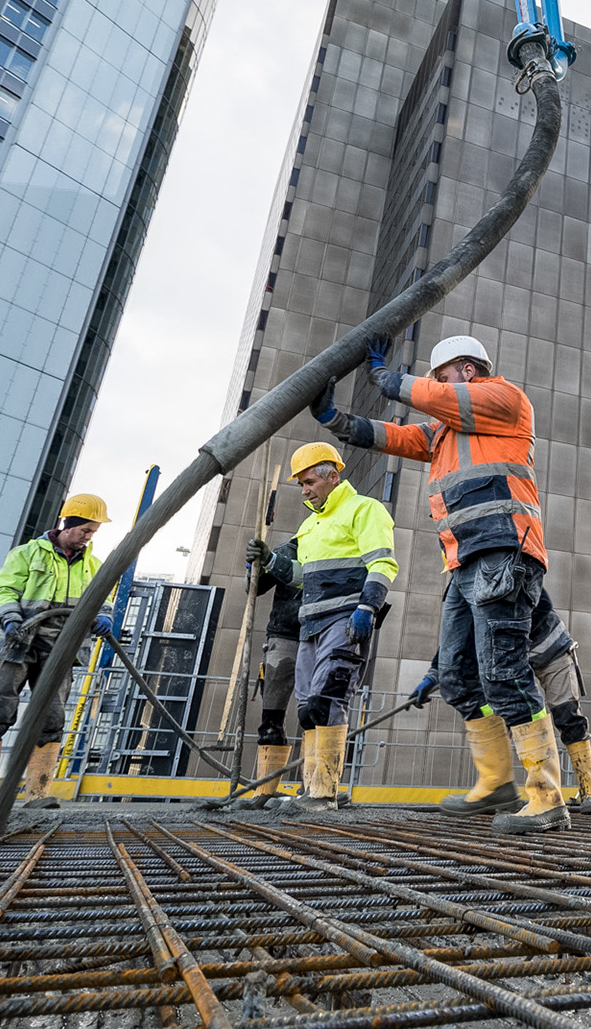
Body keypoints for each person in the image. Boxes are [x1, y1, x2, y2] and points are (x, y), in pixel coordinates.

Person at [317, 332, 566, 834]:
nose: (437, 386)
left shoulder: (505, 400)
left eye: (442, 375)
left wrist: (388, 380)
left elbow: (434, 399)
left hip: (503, 552)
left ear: (468, 371)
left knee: (504, 672)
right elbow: (395, 436)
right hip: (464, 564)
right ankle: (496, 783)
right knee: (455, 674)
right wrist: (335, 421)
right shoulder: (445, 434)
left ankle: (547, 796)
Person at [247, 442, 397, 812]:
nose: (305, 490)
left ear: (334, 476)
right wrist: (270, 563)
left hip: (344, 619)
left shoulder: (364, 509)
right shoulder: (310, 524)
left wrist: (367, 606)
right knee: (309, 707)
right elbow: (301, 578)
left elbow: (383, 563)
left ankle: (323, 793)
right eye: (301, 484)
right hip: (309, 625)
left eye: (310, 481)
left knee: (329, 699)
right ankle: (313, 787)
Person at [411, 584, 591, 814]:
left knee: (568, 717)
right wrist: (435, 674)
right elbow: (459, 635)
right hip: (520, 658)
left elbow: (539, 608)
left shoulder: (512, 576)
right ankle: (498, 786)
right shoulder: (470, 587)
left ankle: (589, 792)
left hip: (552, 651)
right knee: (512, 709)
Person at [0, 493, 111, 810]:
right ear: (68, 525)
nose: (89, 538)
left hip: (59, 648)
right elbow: (4, 589)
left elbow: (104, 598)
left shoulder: (93, 566)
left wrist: (105, 616)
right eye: (85, 531)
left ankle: (37, 794)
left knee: (51, 718)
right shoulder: (26, 554)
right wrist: (10, 618)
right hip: (17, 641)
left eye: (93, 533)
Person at [234, 533, 302, 807]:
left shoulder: (343, 542)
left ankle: (318, 791)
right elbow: (255, 587)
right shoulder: (289, 549)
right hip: (284, 636)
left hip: (322, 633)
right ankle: (264, 793)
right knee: (271, 720)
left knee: (318, 715)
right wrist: (253, 566)